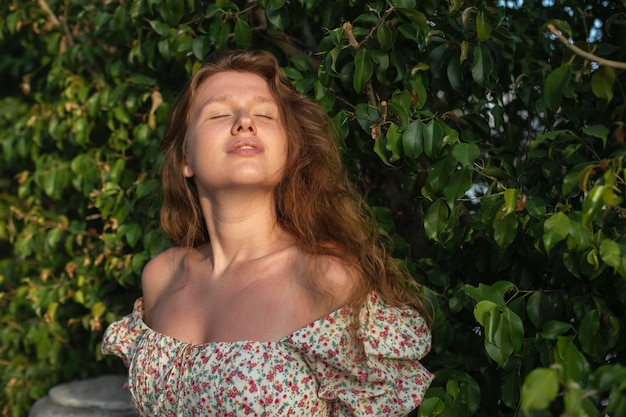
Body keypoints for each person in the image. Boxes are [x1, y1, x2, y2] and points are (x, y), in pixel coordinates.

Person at [102, 49, 433, 416]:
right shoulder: (161, 277)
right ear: (185, 159)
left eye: (264, 114)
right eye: (219, 113)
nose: (245, 121)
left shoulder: (326, 279)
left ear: (289, 151)